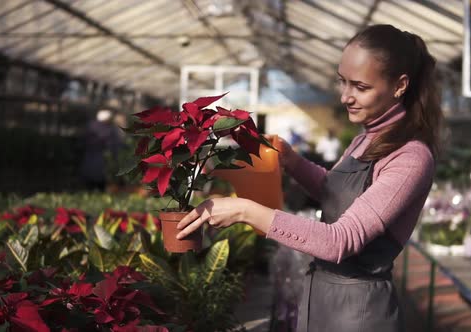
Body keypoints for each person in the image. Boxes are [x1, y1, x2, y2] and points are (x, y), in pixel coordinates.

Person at [177, 24, 442, 331]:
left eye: (360, 87)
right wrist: (291, 160)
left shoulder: (410, 157)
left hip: (357, 312)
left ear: (400, 85)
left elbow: (340, 240)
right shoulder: (366, 138)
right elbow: (334, 191)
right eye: (342, 82)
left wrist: (243, 210)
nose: (345, 96)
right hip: (322, 299)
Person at [80, 109, 122, 191]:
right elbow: (114, 145)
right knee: (100, 179)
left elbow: (82, 142)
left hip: (89, 157)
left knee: (89, 179)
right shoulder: (110, 129)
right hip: (101, 159)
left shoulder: (89, 126)